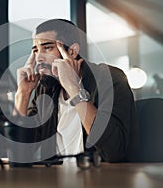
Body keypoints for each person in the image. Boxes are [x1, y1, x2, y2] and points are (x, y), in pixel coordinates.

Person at [14, 19, 140, 162]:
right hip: (55, 179)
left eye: (47, 48)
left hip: (101, 179)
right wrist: (22, 94)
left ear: (72, 51)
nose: (39, 58)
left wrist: (73, 87)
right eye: (35, 50)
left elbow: (113, 151)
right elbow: (18, 152)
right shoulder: (45, 90)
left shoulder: (109, 78)